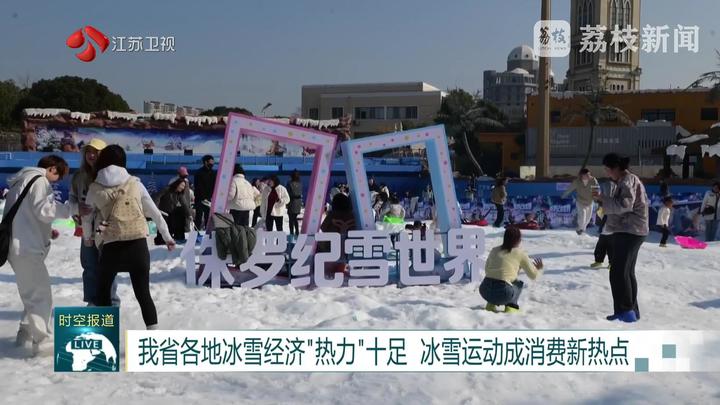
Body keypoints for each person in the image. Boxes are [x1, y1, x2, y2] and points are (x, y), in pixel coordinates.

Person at [83, 145, 175, 330]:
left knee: (103, 293)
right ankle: (153, 337)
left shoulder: (94, 187)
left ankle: (106, 337)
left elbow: (87, 217)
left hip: (110, 247)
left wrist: (88, 237)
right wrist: (167, 237)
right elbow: (154, 212)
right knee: (143, 295)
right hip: (137, 246)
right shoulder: (135, 183)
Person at [5, 155, 72, 355]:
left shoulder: (21, 180)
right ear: (52, 169)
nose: (57, 180)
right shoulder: (39, 180)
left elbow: (25, 215)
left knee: (32, 292)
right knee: (40, 296)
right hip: (27, 248)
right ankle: (44, 345)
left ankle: (25, 334)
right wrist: (68, 209)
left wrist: (45, 231)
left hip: (18, 246)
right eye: (59, 175)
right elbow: (44, 210)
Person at [593, 153, 648, 323]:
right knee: (626, 272)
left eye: (608, 169)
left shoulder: (627, 181)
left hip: (630, 230)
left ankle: (625, 311)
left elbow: (625, 204)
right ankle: (631, 310)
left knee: (618, 271)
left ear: (616, 168)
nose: (607, 173)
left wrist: (603, 199)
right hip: (632, 230)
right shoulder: (627, 180)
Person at [69, 138, 120, 307]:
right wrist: (76, 209)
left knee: (108, 266)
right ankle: (92, 301)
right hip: (86, 228)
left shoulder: (111, 175)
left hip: (106, 228)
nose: (91, 155)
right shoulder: (79, 176)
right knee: (89, 266)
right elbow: (72, 198)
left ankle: (111, 302)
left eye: (95, 152)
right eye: (88, 152)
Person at [479, 226, 543, 313]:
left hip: (484, 290)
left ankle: (490, 304)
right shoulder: (520, 253)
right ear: (518, 240)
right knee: (518, 284)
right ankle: (511, 306)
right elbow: (533, 276)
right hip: (504, 292)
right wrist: (538, 268)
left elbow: (487, 269)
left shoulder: (494, 250)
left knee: (496, 280)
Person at [319, 193, 357, 273]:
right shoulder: (352, 215)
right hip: (348, 248)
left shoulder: (332, 215)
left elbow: (323, 228)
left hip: (331, 247)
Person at [154, 178, 193, 244]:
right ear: (177, 184)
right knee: (162, 227)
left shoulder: (180, 194)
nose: (182, 187)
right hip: (163, 211)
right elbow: (158, 197)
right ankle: (160, 240)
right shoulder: (167, 189)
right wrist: (156, 208)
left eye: (184, 186)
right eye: (181, 185)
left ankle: (173, 238)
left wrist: (189, 215)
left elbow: (184, 204)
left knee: (171, 226)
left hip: (171, 212)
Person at [562, 168, 600, 235]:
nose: (588, 176)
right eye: (586, 175)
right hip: (580, 202)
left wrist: (596, 199)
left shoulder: (593, 180)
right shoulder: (577, 181)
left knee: (588, 219)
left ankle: (582, 230)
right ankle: (579, 229)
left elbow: (596, 191)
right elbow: (570, 189)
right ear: (582, 175)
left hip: (589, 202)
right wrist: (563, 195)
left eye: (589, 174)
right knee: (582, 216)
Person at [193, 155, 216, 230]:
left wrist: (210, 198)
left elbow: (214, 186)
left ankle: (208, 233)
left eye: (213, 162)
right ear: (206, 162)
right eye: (211, 162)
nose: (212, 163)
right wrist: (203, 198)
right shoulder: (198, 173)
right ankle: (196, 233)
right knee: (198, 217)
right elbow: (197, 187)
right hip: (200, 199)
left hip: (209, 200)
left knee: (208, 218)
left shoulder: (214, 173)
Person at [591, 202, 613, 268]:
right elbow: (600, 214)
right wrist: (600, 208)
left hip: (612, 234)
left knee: (612, 250)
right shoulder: (603, 211)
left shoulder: (615, 212)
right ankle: (598, 261)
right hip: (603, 233)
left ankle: (612, 263)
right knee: (599, 248)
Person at [287, 171, 303, 237]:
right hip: (298, 202)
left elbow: (288, 193)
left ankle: (292, 233)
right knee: (294, 218)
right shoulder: (300, 183)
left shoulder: (290, 183)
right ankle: (297, 232)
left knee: (291, 219)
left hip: (292, 202)